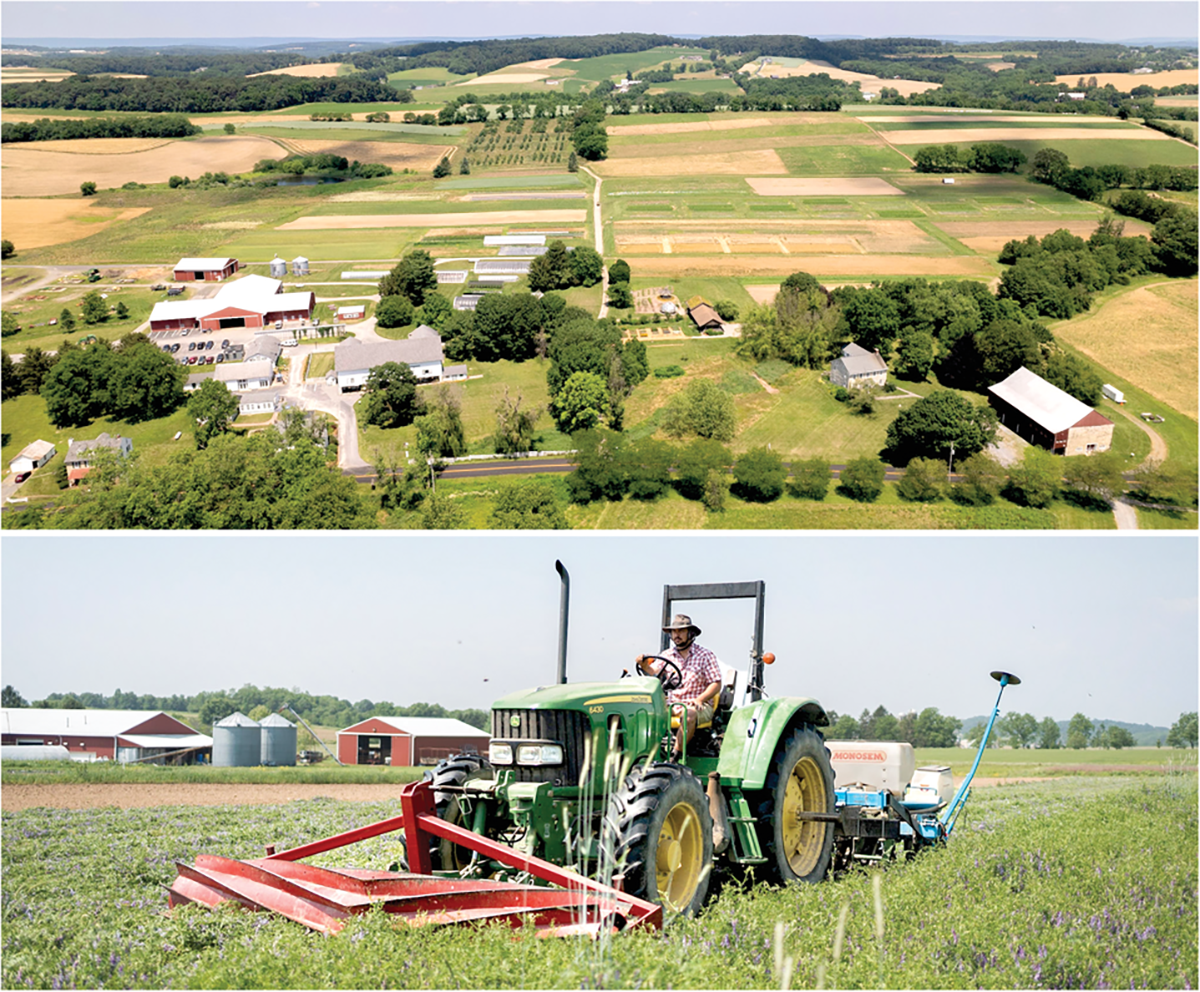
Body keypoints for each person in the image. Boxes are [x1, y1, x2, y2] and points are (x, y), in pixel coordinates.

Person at [636, 614, 723, 761]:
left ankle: (675, 755)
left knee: (689, 714)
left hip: (697, 706)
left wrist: (700, 699)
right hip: (671, 705)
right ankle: (643, 756)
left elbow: (716, 684)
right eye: (674, 632)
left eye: (681, 631)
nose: (677, 635)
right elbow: (654, 673)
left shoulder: (705, 655)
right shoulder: (667, 655)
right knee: (641, 713)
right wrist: (644, 665)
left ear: (691, 633)